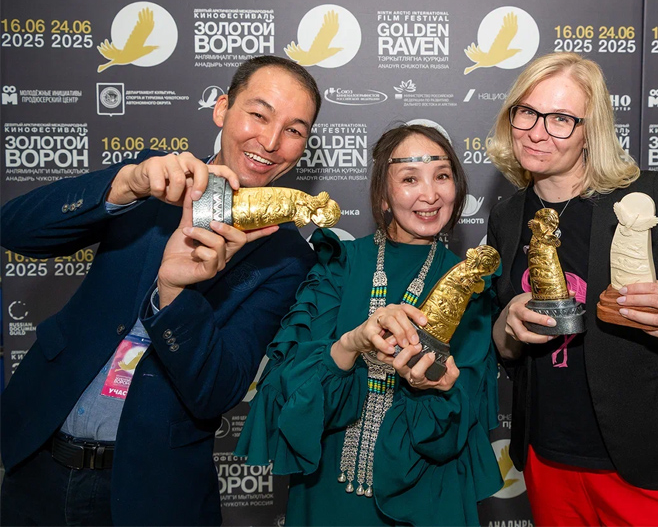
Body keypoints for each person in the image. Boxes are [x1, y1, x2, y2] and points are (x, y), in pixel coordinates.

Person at [0, 55, 321, 526]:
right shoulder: (154, 178)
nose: (271, 142)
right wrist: (123, 185)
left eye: (293, 130)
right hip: (37, 457)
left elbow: (217, 391)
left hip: (152, 489)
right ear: (222, 109)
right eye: (258, 114)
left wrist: (173, 294)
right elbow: (15, 230)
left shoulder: (288, 256)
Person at [486, 52, 658, 527]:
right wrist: (508, 325)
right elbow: (506, 347)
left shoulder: (647, 199)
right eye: (526, 112)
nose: (536, 131)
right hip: (549, 459)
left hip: (650, 459)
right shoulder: (508, 216)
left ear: (590, 131)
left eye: (561, 119)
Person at [236, 124, 502, 526]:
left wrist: (437, 388)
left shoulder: (471, 284)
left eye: (442, 176)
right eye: (410, 179)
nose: (430, 194)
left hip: (428, 495)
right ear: (383, 196)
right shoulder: (338, 265)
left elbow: (456, 429)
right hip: (327, 495)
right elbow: (289, 397)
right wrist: (350, 344)